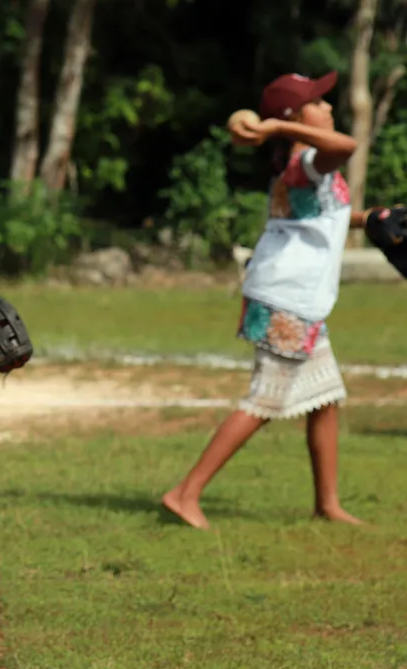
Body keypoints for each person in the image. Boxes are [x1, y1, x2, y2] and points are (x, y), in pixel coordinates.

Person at [162, 72, 387, 530]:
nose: (327, 107)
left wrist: (372, 220)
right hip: (287, 299)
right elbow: (345, 145)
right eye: (317, 102)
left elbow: (321, 216)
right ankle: (185, 494)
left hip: (300, 299)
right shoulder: (303, 162)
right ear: (294, 118)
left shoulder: (306, 164)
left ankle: (328, 504)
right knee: (265, 401)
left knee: (325, 398)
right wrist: (278, 129)